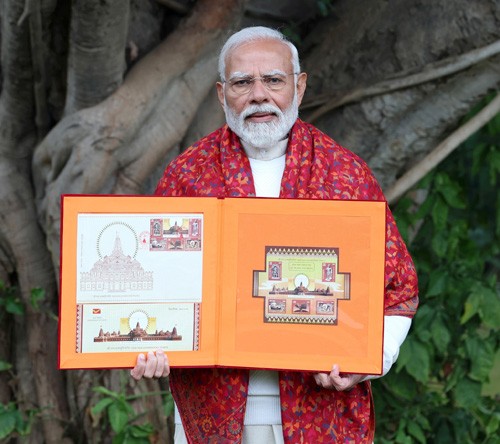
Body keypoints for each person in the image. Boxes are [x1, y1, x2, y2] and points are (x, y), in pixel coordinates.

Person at [131, 26, 419, 443]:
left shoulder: (345, 174)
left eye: (274, 80)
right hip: (211, 410)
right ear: (220, 94)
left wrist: (370, 357)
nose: (259, 95)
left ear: (299, 87)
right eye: (242, 82)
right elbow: (157, 286)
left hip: (320, 407)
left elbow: (399, 288)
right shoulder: (188, 175)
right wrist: (146, 344)